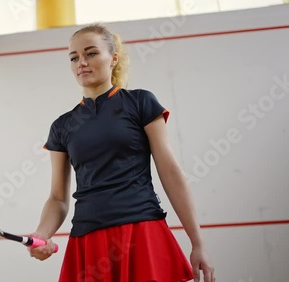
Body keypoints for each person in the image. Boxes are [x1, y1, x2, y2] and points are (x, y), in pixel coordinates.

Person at [28, 23, 215, 282]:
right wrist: (41, 235)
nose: (81, 62)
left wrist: (197, 242)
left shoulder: (140, 102)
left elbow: (170, 172)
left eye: (91, 53)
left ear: (113, 58)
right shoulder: (62, 126)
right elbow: (58, 198)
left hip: (142, 232)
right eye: (74, 57)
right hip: (88, 239)